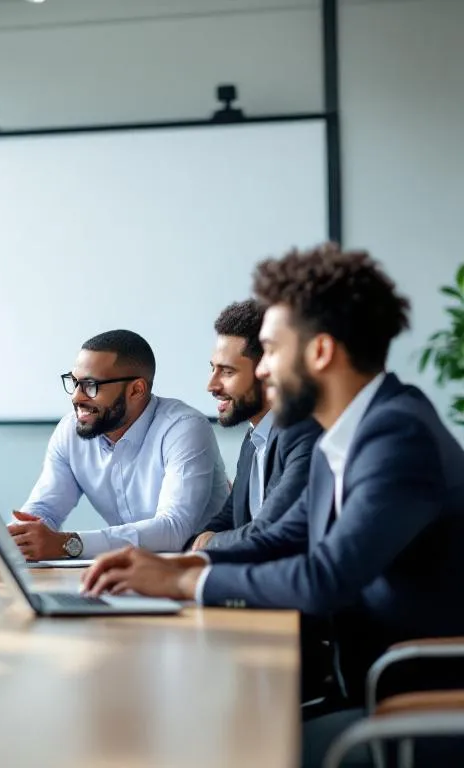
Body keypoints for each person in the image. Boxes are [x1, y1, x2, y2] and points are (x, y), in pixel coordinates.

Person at [80, 245, 464, 766]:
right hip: (367, 677)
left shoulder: (397, 435)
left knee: (214, 741)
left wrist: (181, 580)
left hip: (411, 691)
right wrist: (171, 565)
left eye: (272, 351)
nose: (263, 373)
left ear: (320, 352)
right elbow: (286, 534)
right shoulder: (351, 432)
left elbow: (325, 576)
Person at [8, 330, 228, 560]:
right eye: (74, 382)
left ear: (136, 390)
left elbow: (174, 529)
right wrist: (18, 537)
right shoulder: (70, 431)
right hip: (134, 574)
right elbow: (44, 511)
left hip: (202, 575)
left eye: (91, 385)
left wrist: (69, 544)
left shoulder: (184, 428)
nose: (76, 397)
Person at [191, 299, 321, 551]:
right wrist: (201, 540)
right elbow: (227, 519)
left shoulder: (304, 434)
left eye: (227, 372)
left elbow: (271, 532)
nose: (212, 386)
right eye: (212, 369)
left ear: (268, 371)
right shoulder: (254, 440)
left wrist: (210, 543)